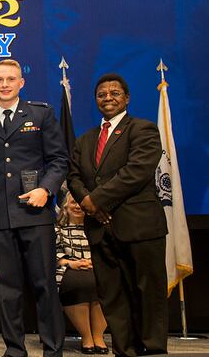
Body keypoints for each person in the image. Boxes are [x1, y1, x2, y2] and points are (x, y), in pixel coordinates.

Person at [67, 73, 167, 357]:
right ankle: (125, 350)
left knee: (148, 294)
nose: (108, 98)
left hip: (139, 227)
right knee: (113, 295)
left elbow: (136, 172)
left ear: (127, 98)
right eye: (102, 94)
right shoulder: (85, 140)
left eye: (114, 93)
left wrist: (95, 201)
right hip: (100, 230)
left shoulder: (143, 129)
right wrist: (87, 204)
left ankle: (153, 349)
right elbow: (74, 176)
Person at [0, 58, 69, 357]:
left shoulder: (41, 114)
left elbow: (59, 160)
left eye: (10, 79)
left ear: (21, 82)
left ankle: (53, 349)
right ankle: (14, 349)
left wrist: (46, 189)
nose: (4, 84)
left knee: (44, 285)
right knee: (8, 288)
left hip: (36, 213)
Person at [55, 190, 108, 354]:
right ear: (65, 206)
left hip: (95, 268)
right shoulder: (58, 230)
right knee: (80, 281)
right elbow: (53, 256)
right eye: (73, 203)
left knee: (101, 281)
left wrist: (95, 262)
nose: (77, 206)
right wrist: (72, 263)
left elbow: (107, 253)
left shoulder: (98, 230)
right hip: (68, 270)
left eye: (80, 203)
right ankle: (87, 337)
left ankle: (98, 336)